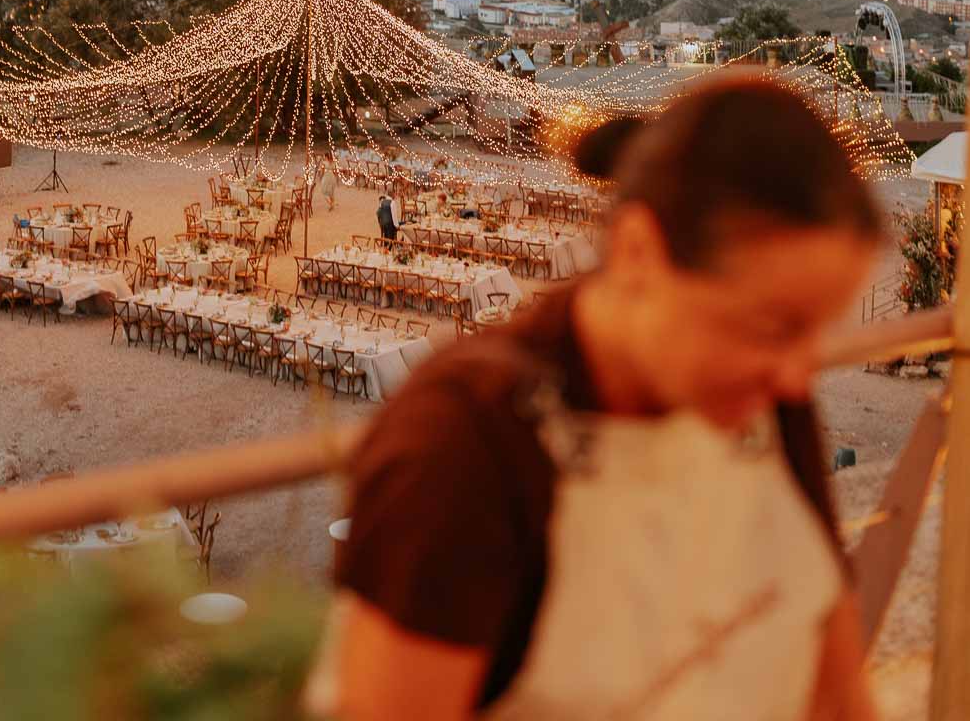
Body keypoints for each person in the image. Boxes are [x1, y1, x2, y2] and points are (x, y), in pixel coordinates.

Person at [312, 77, 882, 721]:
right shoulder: (467, 439)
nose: (797, 377)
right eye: (771, 327)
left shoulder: (759, 394)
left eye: (817, 331)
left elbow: (836, 685)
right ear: (640, 251)